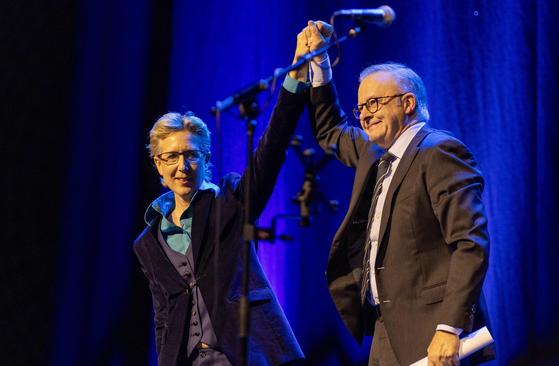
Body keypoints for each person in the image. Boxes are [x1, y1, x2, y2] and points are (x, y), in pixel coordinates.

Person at [287, 21, 496, 366]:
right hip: (386, 329)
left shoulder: (439, 152)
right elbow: (330, 131)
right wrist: (320, 66)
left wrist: (450, 326)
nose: (365, 115)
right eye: (362, 108)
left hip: (434, 332)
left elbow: (470, 244)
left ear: (408, 102)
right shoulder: (374, 155)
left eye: (374, 103)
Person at [133, 36, 313, 365]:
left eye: (191, 155)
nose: (182, 166)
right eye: (171, 157)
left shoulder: (228, 202)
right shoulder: (148, 241)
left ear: (205, 159)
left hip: (247, 354)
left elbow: (270, 153)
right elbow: (164, 316)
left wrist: (295, 79)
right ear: (158, 164)